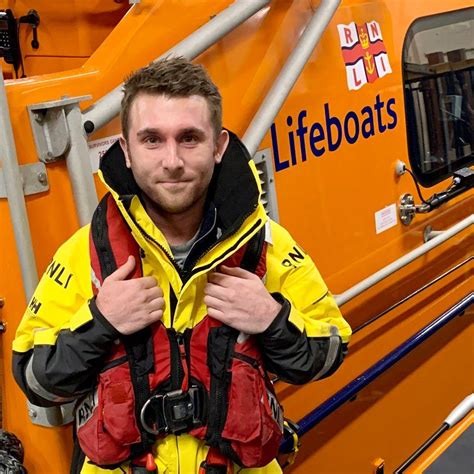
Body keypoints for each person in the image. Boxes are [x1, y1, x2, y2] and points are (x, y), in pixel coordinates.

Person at [12, 57, 352, 474]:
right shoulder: (86, 255)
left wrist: (272, 320)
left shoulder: (266, 248)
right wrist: (100, 323)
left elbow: (331, 352)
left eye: (189, 138)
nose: (172, 161)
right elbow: (34, 381)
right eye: (152, 140)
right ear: (127, 151)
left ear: (219, 145)